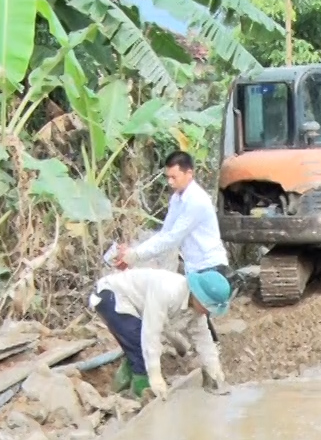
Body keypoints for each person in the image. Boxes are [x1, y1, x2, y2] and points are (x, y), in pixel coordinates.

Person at [89, 267, 231, 397]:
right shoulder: (168, 291)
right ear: (199, 297)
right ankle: (143, 393)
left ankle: (119, 388)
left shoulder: (196, 309)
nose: (208, 312)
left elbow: (203, 338)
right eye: (208, 307)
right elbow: (151, 333)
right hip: (112, 296)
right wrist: (155, 377)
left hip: (135, 305)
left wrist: (214, 368)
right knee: (138, 343)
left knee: (137, 348)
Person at [114, 150, 230, 281]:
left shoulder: (197, 200)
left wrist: (135, 255)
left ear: (189, 174)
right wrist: (133, 252)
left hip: (210, 266)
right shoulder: (176, 199)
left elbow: (173, 237)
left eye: (174, 177)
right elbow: (165, 233)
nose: (169, 182)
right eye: (167, 177)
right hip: (193, 267)